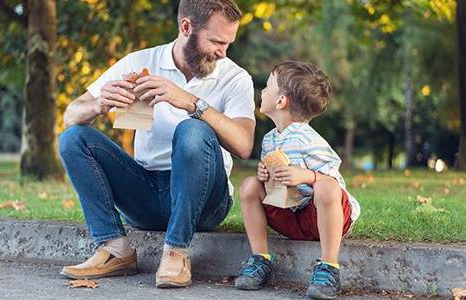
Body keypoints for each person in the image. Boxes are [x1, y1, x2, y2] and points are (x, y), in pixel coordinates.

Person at [58, 0, 255, 288]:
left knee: (192, 130)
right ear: (186, 27)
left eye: (228, 43)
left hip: (205, 201)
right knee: (73, 137)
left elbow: (244, 144)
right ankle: (114, 249)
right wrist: (101, 103)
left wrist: (190, 103)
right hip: (148, 193)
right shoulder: (140, 62)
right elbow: (70, 115)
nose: (222, 52)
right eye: (216, 41)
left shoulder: (235, 77)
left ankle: (176, 251)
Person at [234, 61, 360, 299]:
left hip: (322, 217)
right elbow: (271, 185)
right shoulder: (270, 139)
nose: (262, 90)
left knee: (326, 187)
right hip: (292, 216)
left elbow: (333, 182)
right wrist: (264, 176)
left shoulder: (308, 140)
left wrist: (307, 176)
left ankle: (329, 267)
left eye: (268, 86)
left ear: (281, 101)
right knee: (250, 185)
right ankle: (261, 259)